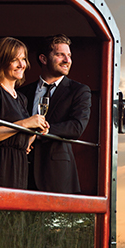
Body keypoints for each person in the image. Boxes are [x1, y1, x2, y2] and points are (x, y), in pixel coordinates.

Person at [20, 34, 91, 193]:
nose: (67, 60)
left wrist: (39, 132)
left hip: (57, 175)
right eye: (60, 55)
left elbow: (76, 127)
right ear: (44, 59)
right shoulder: (22, 92)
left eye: (69, 55)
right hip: (21, 170)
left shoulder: (79, 91)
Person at [0, 37, 49, 188]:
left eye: (24, 59)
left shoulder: (21, 98)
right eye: (15, 60)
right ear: (2, 61)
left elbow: (19, 141)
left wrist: (34, 133)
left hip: (18, 167)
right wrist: (25, 124)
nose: (22, 64)